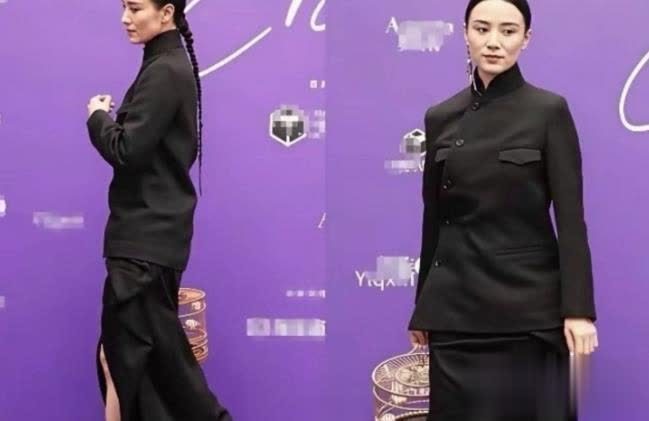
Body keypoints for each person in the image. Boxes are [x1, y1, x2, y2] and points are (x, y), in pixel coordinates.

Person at [407, 1, 599, 419]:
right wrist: (424, 305)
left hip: (530, 317)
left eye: (508, 31)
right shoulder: (440, 117)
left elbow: (571, 220)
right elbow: (434, 220)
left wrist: (578, 311)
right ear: (465, 33)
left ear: (526, 39)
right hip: (455, 318)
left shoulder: (548, 110)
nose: (493, 42)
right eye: (482, 29)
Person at [86, 1, 231, 420]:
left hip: (143, 246)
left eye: (135, 8)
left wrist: (97, 118)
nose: (125, 18)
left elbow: (126, 149)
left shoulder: (165, 70)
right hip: (146, 242)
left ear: (166, 12)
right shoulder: (164, 66)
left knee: (154, 369)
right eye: (123, 7)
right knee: (123, 361)